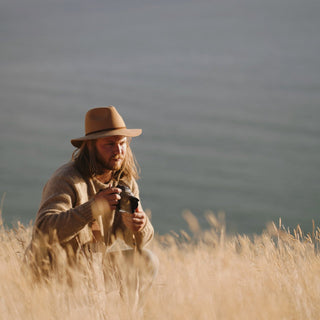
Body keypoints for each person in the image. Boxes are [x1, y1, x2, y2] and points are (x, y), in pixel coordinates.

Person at [26, 106, 158, 302]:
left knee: (147, 260)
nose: (118, 150)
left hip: (92, 265)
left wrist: (140, 226)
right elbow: (43, 230)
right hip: (52, 271)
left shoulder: (125, 182)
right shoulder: (67, 179)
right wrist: (92, 208)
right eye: (110, 144)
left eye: (122, 143)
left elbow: (137, 242)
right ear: (90, 146)